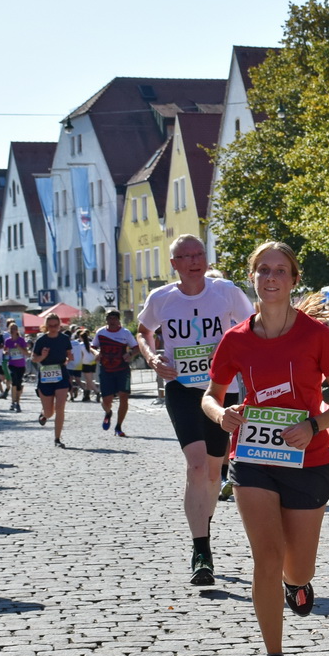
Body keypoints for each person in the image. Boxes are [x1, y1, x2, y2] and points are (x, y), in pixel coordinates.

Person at [203, 241, 329, 656]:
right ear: (252, 277)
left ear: (293, 279)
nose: (270, 278)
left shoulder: (316, 336)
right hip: (252, 456)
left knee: (297, 567)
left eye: (279, 271)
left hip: (306, 460)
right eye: (262, 270)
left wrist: (314, 424)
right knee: (266, 558)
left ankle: (299, 585)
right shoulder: (235, 339)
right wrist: (221, 415)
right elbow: (210, 395)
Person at [138, 234, 256, 588]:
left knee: (213, 471)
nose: (194, 260)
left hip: (221, 389)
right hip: (182, 388)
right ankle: (201, 549)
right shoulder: (161, 298)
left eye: (199, 254)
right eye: (185, 256)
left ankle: (203, 529)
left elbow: (252, 327)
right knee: (196, 465)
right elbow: (144, 331)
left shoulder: (226, 292)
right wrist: (152, 356)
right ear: (173, 264)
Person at [30, 313, 75, 447]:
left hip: (60, 373)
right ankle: (44, 414)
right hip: (45, 374)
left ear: (59, 325)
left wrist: (69, 359)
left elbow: (68, 356)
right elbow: (34, 359)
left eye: (56, 325)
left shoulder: (65, 339)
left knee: (60, 408)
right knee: (50, 412)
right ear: (46, 326)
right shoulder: (41, 340)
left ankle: (57, 439)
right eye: (50, 326)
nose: (53, 328)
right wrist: (42, 356)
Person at [94, 309, 138, 436]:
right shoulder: (101, 332)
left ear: (118, 320)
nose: (112, 321)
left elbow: (136, 348)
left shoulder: (125, 333)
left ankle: (118, 426)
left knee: (124, 396)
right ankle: (108, 412)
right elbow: (93, 347)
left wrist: (129, 353)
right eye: (109, 318)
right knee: (106, 400)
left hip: (122, 369)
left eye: (114, 318)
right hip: (106, 369)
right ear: (106, 320)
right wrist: (96, 353)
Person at [1, 322, 30, 412]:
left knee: (18, 384)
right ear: (9, 330)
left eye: (14, 328)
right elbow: (4, 350)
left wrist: (19, 347)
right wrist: (5, 352)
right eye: (11, 329)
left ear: (17, 330)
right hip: (12, 364)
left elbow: (27, 353)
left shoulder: (21, 340)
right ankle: (13, 402)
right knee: (14, 381)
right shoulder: (8, 341)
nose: (13, 330)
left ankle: (17, 402)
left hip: (21, 365)